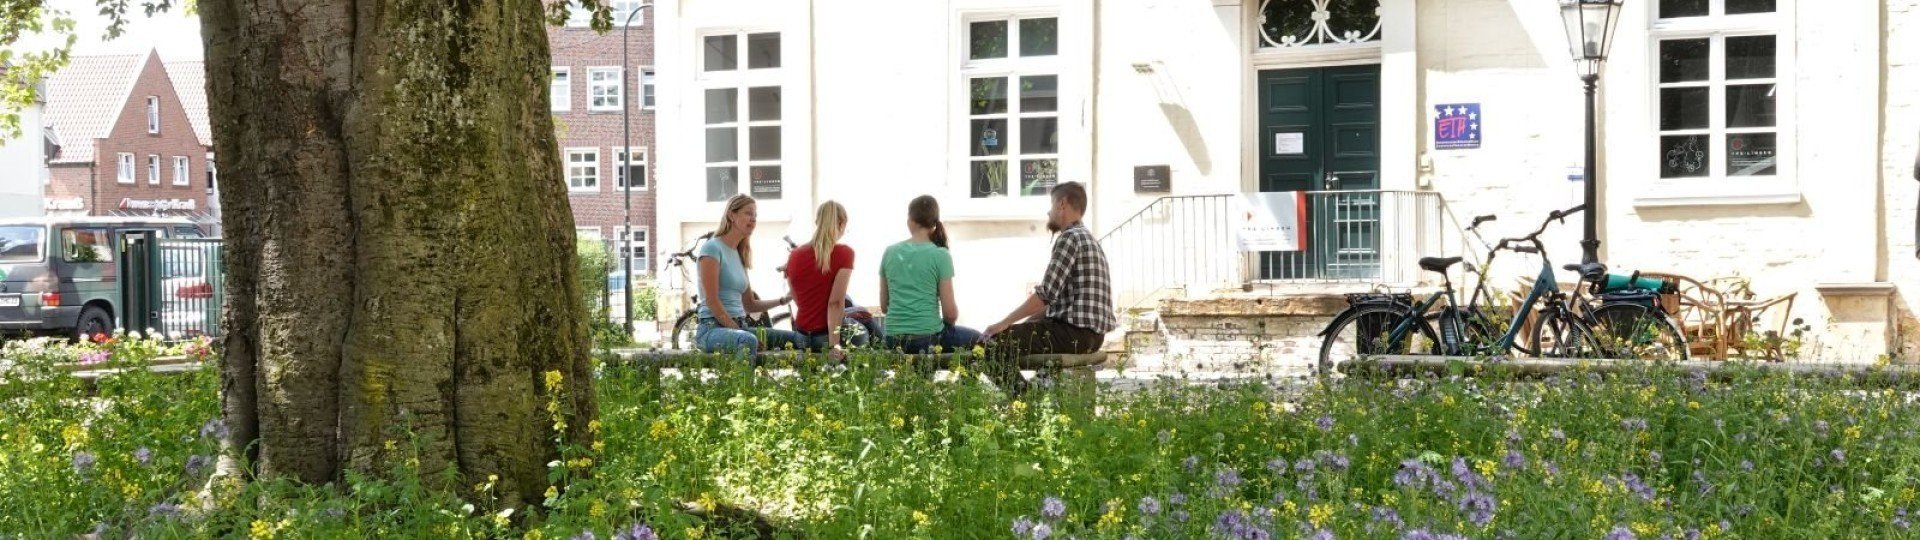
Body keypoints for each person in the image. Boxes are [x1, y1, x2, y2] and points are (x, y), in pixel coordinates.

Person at [981, 181, 1117, 394]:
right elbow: (1057, 303)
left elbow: (1046, 294)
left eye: (1052, 205)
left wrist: (1004, 322)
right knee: (1023, 334)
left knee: (990, 345)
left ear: (1062, 204)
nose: (1048, 211)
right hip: (1093, 337)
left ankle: (1023, 402)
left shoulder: (1069, 238)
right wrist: (1024, 323)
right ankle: (1035, 395)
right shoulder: (1089, 239)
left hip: (1073, 334)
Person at [694, 194, 804, 359]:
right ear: (731, 215)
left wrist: (784, 300)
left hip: (741, 327)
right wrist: (741, 331)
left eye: (755, 215)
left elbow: (750, 304)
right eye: (748, 213)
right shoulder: (712, 248)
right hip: (712, 329)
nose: (753, 219)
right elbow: (712, 300)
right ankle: (741, 386)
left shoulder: (739, 254)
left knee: (798, 339)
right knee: (747, 341)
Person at [879, 195, 983, 354]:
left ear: (910, 221)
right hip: (927, 338)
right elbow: (950, 313)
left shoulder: (890, 252)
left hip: (893, 338)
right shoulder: (940, 255)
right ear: (934, 224)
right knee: (981, 339)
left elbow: (884, 306)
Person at [785, 201, 861, 359]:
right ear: (841, 223)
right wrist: (835, 345)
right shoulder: (844, 253)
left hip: (801, 333)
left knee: (807, 382)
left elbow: (798, 299)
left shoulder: (794, 255)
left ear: (817, 222)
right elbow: (835, 302)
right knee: (864, 328)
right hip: (826, 334)